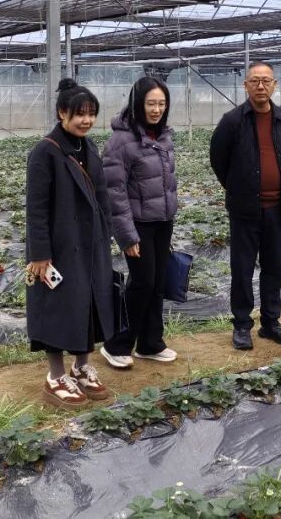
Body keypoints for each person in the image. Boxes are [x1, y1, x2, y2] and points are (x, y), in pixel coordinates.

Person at [25, 78, 115, 408]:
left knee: (87, 304)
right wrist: (40, 254)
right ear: (62, 113)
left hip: (90, 243)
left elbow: (102, 196)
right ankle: (55, 376)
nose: (86, 120)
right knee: (58, 307)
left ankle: (81, 367)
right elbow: (36, 209)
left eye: (91, 114)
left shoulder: (88, 147)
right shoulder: (45, 152)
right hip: (59, 247)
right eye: (80, 114)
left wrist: (106, 233)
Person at [209, 61, 281, 350]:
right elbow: (218, 159)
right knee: (242, 268)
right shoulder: (232, 121)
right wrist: (238, 188)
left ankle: (270, 323)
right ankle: (241, 325)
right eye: (255, 81)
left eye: (266, 81)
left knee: (273, 267)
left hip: (277, 208)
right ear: (245, 85)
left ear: (274, 85)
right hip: (245, 210)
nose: (261, 86)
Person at [100, 76, 179, 369]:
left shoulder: (164, 136)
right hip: (138, 224)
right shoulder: (121, 141)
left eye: (161, 104)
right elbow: (114, 191)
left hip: (162, 221)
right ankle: (116, 344)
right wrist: (126, 235)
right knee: (142, 283)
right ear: (137, 104)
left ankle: (150, 343)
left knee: (157, 283)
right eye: (150, 104)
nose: (156, 109)